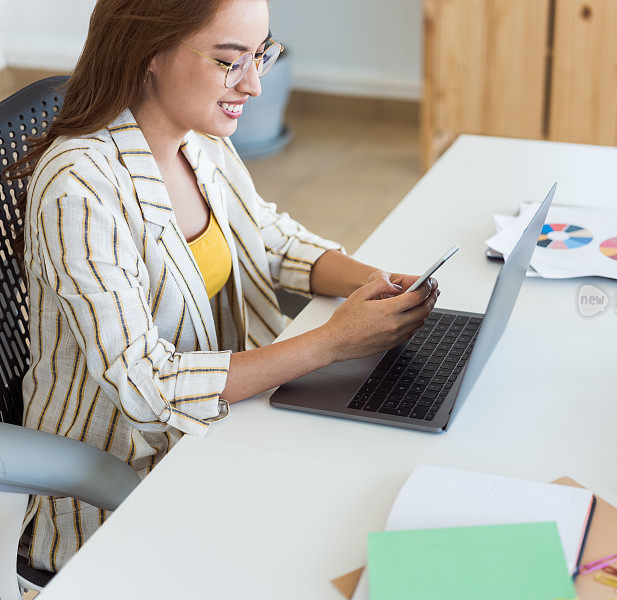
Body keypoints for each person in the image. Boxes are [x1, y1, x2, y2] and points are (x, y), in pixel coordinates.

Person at [4, 0, 438, 572]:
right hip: (125, 481)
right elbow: (143, 384)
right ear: (149, 54)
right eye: (230, 61)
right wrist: (331, 342)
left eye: (261, 54)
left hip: (223, 425)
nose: (255, 84)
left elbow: (267, 236)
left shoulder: (197, 136)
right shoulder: (79, 189)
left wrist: (378, 284)